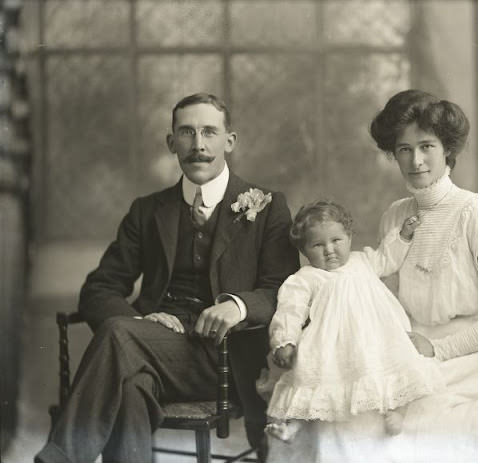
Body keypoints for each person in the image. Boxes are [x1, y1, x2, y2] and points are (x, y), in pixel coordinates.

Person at [267, 89, 478, 462]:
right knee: (343, 403)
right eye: (404, 149)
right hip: (406, 345)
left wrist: (440, 348)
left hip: (470, 358)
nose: (416, 160)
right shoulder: (396, 216)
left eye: (427, 146)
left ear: (447, 150)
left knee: (375, 418)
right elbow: (379, 292)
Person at [35, 93, 300, 463]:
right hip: (151, 348)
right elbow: (99, 288)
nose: (198, 145)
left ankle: (59, 457)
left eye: (209, 132)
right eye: (187, 132)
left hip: (225, 360)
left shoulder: (268, 207)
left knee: (121, 342)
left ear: (229, 141)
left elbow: (284, 290)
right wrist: (141, 325)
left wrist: (238, 307)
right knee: (130, 383)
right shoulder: (147, 211)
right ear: (171, 142)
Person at [259, 200, 444, 442]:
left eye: (336, 240)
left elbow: (387, 258)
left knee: (400, 364)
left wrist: (403, 236)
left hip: (377, 334)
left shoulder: (362, 261)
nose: (329, 250)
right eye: (317, 244)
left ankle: (397, 412)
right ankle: (293, 424)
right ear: (304, 251)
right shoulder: (306, 278)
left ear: (349, 237)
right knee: (309, 374)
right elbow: (290, 309)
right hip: (332, 343)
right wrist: (285, 341)